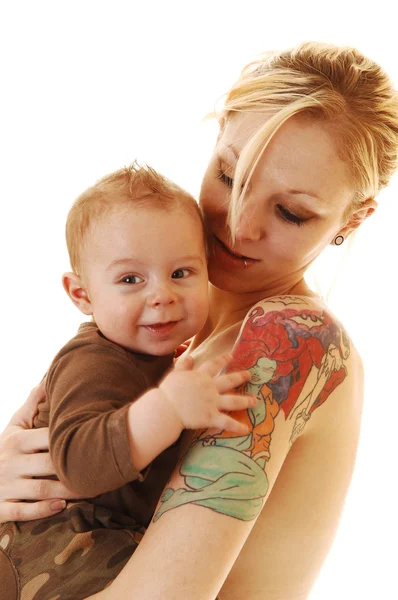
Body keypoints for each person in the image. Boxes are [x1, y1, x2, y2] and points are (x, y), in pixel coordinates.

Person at [1, 41, 398, 600]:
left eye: (290, 212)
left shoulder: (288, 339)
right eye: (231, 176)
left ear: (352, 218)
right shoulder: (167, 320)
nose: (239, 226)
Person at [0, 163, 255, 599]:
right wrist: (169, 409)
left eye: (181, 273)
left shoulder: (159, 361)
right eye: (130, 279)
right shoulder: (94, 360)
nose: (162, 294)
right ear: (82, 294)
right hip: (43, 548)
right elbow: (79, 466)